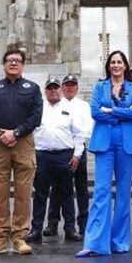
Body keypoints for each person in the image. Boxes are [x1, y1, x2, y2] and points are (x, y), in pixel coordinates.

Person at [77, 50, 132, 257]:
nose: (116, 65)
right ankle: (96, 243)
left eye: (119, 62)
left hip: (127, 143)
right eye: (113, 62)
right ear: (108, 66)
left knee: (123, 193)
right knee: (101, 192)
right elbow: (95, 112)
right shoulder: (100, 86)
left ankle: (120, 241)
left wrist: (112, 111)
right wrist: (122, 113)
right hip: (105, 142)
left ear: (125, 66)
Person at [0, 49, 43, 256]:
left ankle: (19, 237)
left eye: (17, 61)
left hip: (23, 142)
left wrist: (16, 132)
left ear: (23, 65)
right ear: (4, 65)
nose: (13, 63)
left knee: (24, 192)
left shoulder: (32, 89)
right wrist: (0, 133)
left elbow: (36, 116)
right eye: (10, 60)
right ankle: (0, 237)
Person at [27, 77, 86, 243]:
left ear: (60, 90)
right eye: (50, 88)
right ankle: (36, 229)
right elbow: (30, 131)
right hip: (42, 156)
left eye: (56, 88)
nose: (53, 91)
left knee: (67, 194)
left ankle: (70, 228)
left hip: (64, 156)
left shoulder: (69, 108)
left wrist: (77, 155)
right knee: (40, 194)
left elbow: (78, 134)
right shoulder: (38, 108)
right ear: (45, 91)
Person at [45, 74, 91, 237]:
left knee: (81, 188)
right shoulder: (56, 104)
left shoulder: (84, 106)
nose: (70, 88)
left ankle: (83, 223)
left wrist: (77, 149)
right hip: (62, 151)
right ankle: (52, 222)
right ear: (62, 88)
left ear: (77, 88)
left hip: (78, 149)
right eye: (67, 85)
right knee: (58, 188)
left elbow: (87, 128)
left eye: (73, 85)